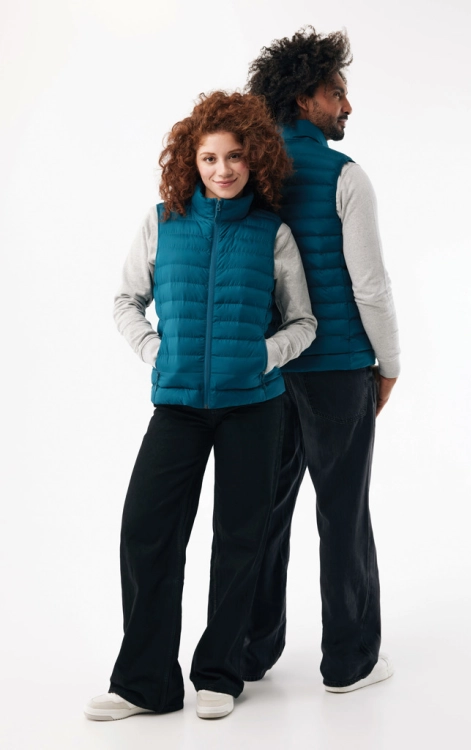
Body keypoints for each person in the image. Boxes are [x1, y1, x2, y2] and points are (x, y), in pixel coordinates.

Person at [84, 91, 317, 721]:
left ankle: (219, 673)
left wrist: (263, 356)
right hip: (179, 406)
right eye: (209, 157)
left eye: (235, 156)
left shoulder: (272, 233)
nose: (222, 169)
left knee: (239, 539)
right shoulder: (162, 222)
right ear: (191, 160)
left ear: (255, 158)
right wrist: (154, 351)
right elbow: (126, 301)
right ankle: (145, 684)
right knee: (146, 531)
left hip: (255, 407)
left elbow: (303, 322)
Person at [228, 27, 401, 692]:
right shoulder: (345, 175)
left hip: (267, 370)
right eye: (336, 93)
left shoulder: (246, 173)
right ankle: (349, 662)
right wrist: (389, 362)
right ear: (304, 99)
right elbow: (370, 285)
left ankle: (249, 653)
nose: (347, 106)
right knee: (343, 512)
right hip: (338, 367)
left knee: (263, 512)